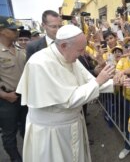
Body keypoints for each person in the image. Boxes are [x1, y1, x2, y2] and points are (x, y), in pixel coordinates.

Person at [16, 25, 115, 162]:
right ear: (63, 45)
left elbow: (89, 81)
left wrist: (115, 83)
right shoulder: (39, 63)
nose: (82, 54)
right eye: (80, 50)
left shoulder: (70, 57)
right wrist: (98, 82)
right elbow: (68, 100)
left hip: (73, 124)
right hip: (51, 133)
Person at [0, 16, 25, 162]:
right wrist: (4, 95)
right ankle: (16, 159)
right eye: (13, 29)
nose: (17, 32)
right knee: (9, 134)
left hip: (24, 97)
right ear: (2, 31)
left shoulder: (20, 50)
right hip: (7, 99)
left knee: (27, 129)